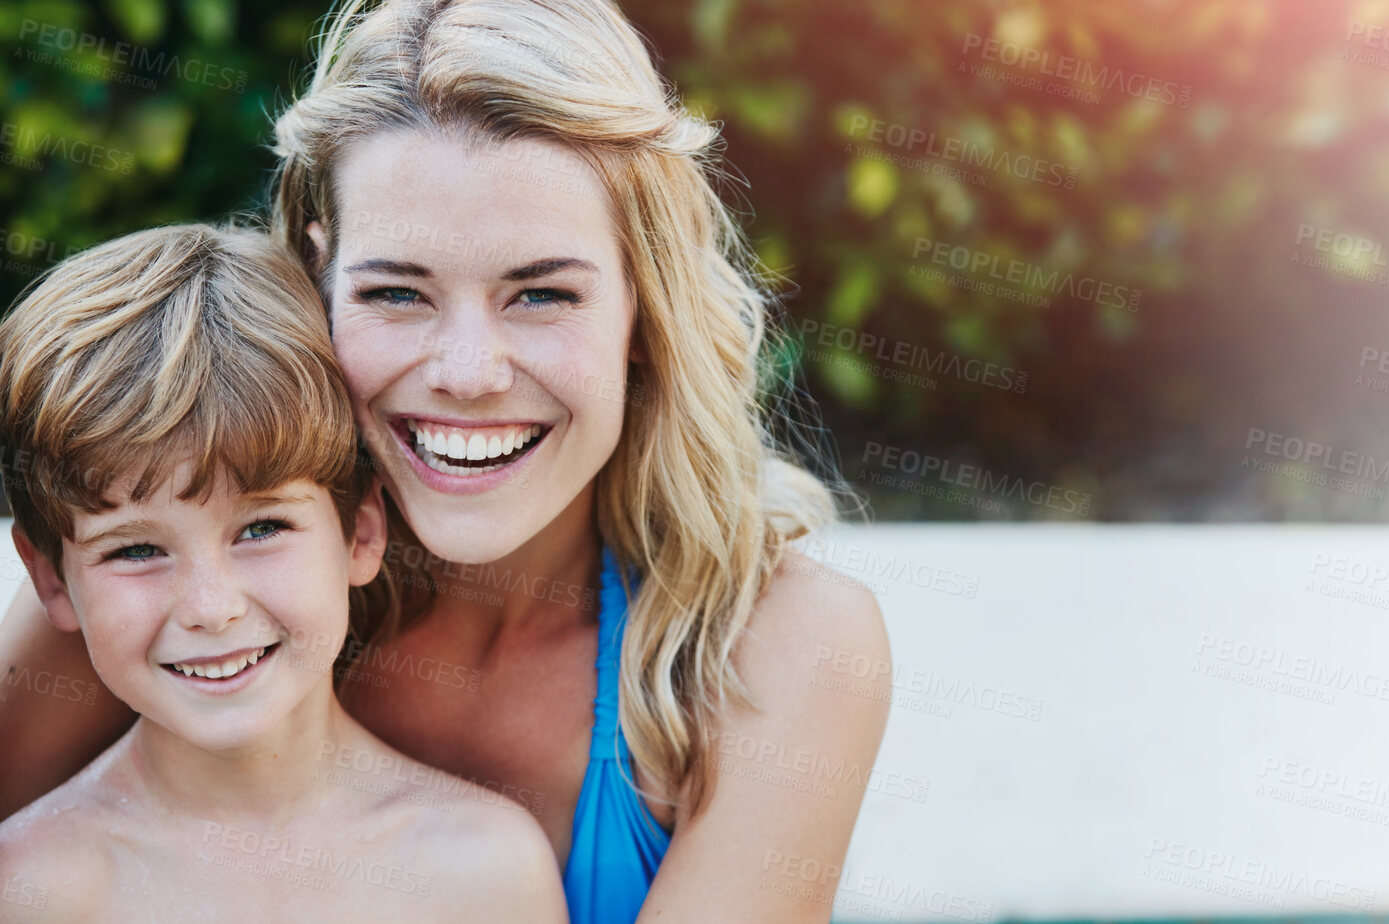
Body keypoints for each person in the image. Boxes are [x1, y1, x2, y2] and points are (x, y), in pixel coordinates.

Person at [0, 1, 892, 920]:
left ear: (643, 303)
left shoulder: (780, 649)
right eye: (396, 291)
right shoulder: (171, 563)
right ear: (320, 278)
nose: (468, 375)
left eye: (541, 295)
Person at [0, 225, 568, 921]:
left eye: (262, 529)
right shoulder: (32, 885)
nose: (211, 608)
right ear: (51, 581)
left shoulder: (484, 866)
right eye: (136, 551)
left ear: (360, 531)